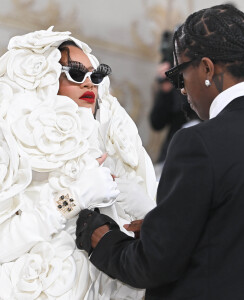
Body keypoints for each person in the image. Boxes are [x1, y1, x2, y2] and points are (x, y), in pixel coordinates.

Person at [76, 4, 244, 300]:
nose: (182, 90)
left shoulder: (200, 142)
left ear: (207, 68)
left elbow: (153, 265)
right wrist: (165, 229)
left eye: (180, 74)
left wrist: (101, 238)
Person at [0, 27, 157, 299]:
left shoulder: (106, 148)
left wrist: (149, 217)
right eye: (75, 73)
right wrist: (75, 197)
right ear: (43, 79)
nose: (89, 84)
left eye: (95, 76)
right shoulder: (12, 148)